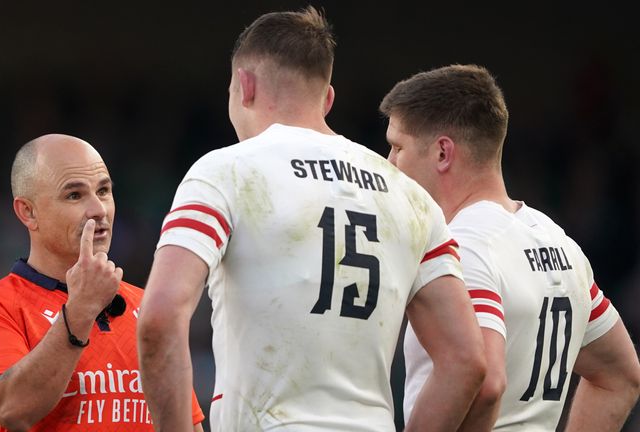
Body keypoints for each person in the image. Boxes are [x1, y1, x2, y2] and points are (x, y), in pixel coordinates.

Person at [137, 7, 487, 432]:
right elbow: (466, 361)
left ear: (243, 87)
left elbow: (158, 318)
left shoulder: (227, 171)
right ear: (327, 99)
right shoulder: (411, 197)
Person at [380, 64, 640, 431]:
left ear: (442, 153)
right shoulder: (559, 242)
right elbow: (621, 377)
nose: (388, 166)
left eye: (396, 147)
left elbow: (484, 383)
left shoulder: (463, 246)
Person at [0, 134, 205, 431]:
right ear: (28, 212)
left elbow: (185, 425)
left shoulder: (146, 307)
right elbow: (11, 408)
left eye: (104, 191)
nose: (98, 209)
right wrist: (79, 311)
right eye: (74, 195)